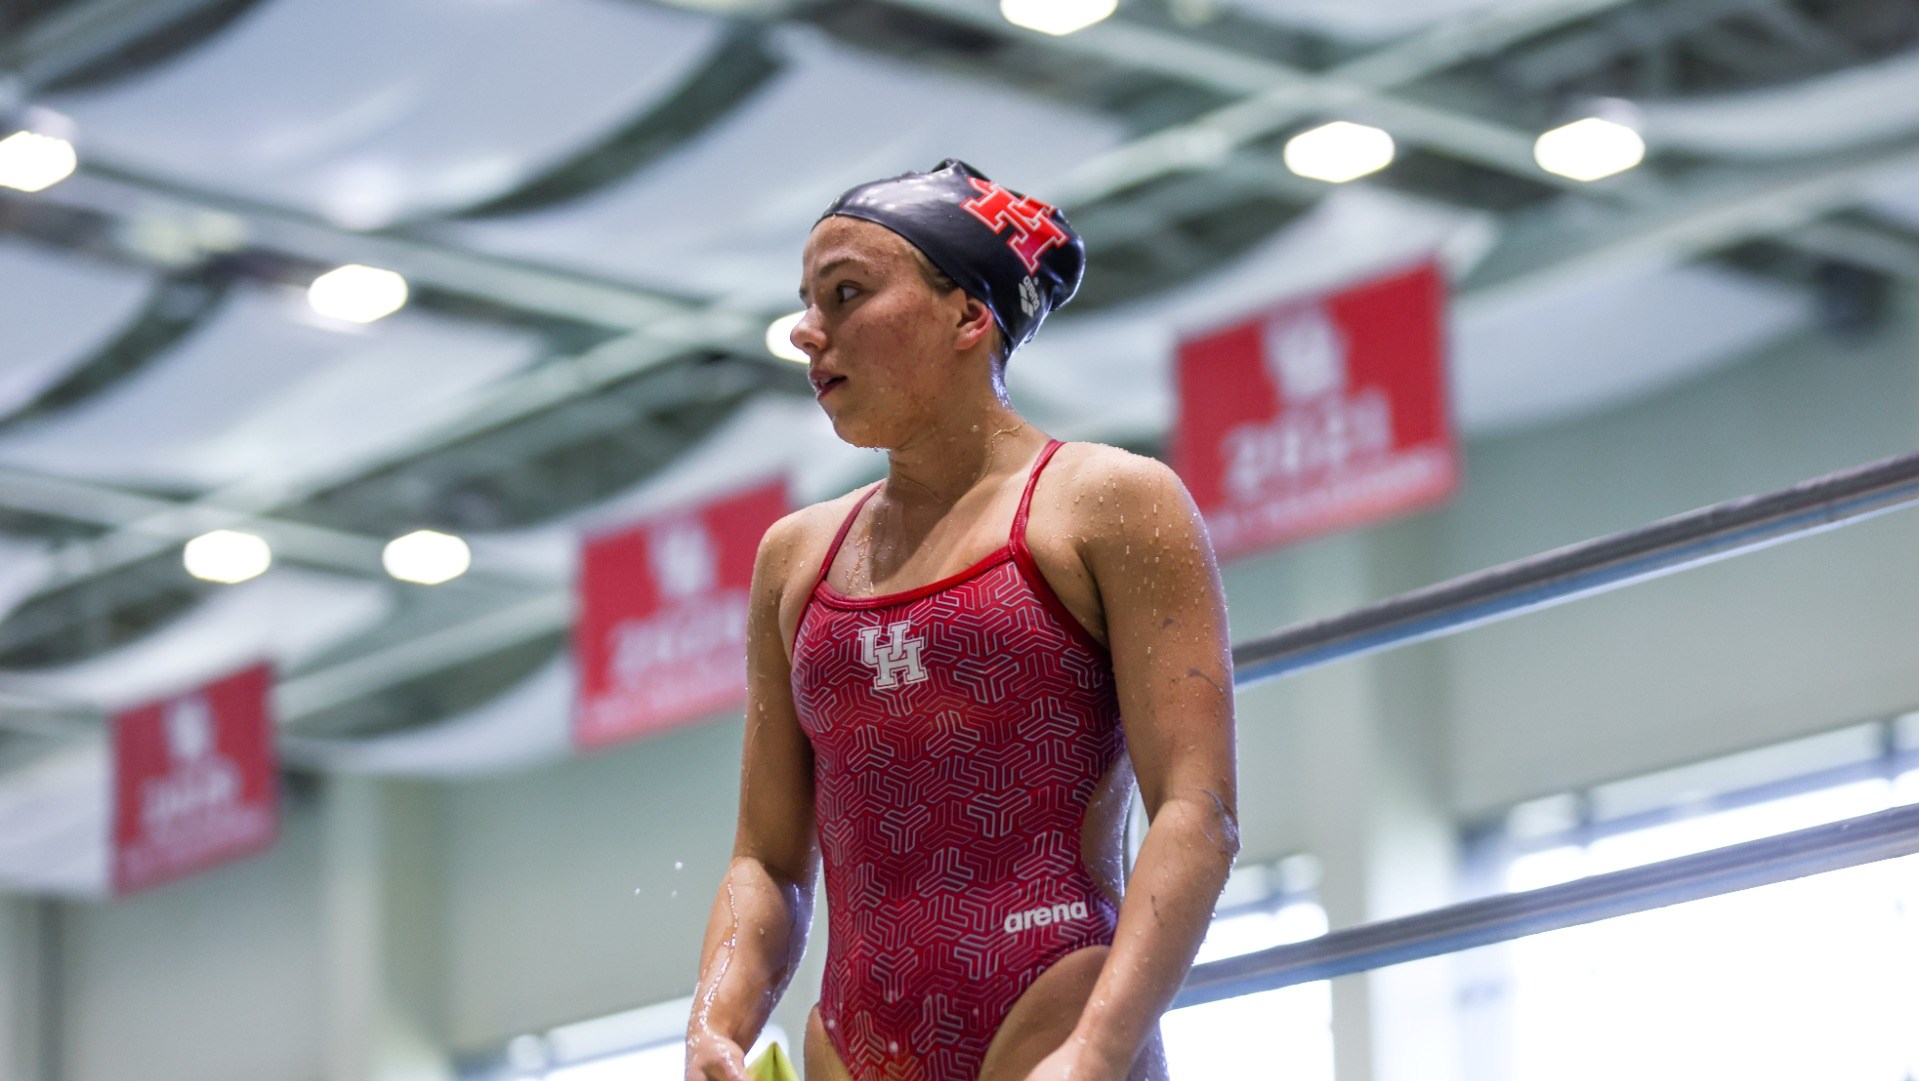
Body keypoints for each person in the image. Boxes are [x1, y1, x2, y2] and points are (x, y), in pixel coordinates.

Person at [686, 160, 1238, 1081]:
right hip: (847, 1046)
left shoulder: (1108, 502)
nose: (805, 331)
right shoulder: (796, 556)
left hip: (1052, 1024)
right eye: (806, 302)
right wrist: (716, 1022)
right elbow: (768, 860)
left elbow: (1195, 811)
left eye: (847, 293)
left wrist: (1097, 1050)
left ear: (967, 315)